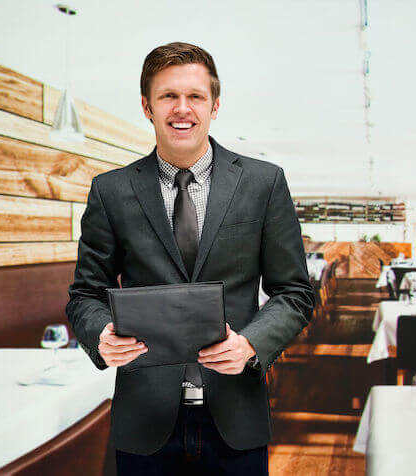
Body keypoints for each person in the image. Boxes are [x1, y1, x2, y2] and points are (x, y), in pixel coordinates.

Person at [66, 42, 313, 475]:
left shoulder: (263, 182)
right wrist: (100, 333)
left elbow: (293, 292)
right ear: (147, 106)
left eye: (195, 96)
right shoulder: (111, 191)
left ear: (215, 105)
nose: (183, 109)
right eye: (168, 96)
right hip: (144, 418)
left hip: (236, 415)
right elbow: (85, 294)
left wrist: (252, 344)